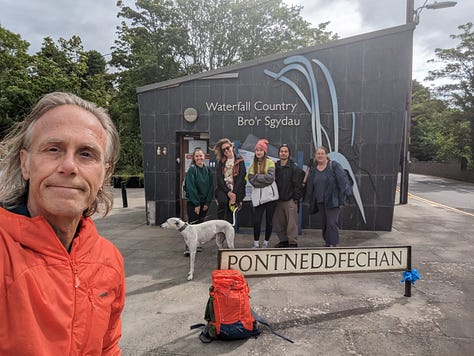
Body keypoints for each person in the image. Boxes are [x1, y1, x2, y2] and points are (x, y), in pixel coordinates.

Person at [0, 92, 125, 355]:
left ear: (105, 173)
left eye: (86, 154)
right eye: (53, 149)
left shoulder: (109, 259)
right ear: (25, 163)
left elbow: (108, 346)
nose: (69, 166)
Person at [306, 146, 348, 247]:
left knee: (331, 223)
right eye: (318, 154)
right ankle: (327, 242)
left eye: (322, 153)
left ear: (326, 155)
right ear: (315, 156)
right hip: (320, 201)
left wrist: (342, 200)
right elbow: (311, 185)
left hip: (333, 201)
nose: (320, 155)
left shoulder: (334, 165)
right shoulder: (314, 169)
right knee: (325, 224)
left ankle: (333, 244)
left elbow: (342, 184)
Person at [183, 147, 214, 256]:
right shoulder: (192, 170)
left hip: (204, 203)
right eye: (197, 156)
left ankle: (197, 245)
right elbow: (191, 188)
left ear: (204, 156)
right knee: (192, 225)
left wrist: (207, 203)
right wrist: (196, 204)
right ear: (194, 158)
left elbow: (211, 187)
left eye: (201, 155)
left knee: (200, 225)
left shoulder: (208, 170)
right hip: (193, 202)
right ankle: (188, 247)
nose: (199, 158)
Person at [248, 139, 277, 248]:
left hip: (270, 197)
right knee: (257, 221)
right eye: (257, 150)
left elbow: (270, 178)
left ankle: (265, 242)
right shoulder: (253, 163)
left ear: (264, 151)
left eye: (261, 150)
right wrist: (261, 179)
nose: (259, 152)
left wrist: (257, 177)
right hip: (258, 198)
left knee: (269, 221)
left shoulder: (270, 162)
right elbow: (250, 179)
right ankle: (255, 243)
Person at [273, 144, 303, 248]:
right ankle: (283, 241)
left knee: (291, 223)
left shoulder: (293, 168)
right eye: (281, 151)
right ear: (279, 153)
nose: (283, 153)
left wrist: (295, 198)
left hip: (290, 200)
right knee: (279, 223)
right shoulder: (275, 166)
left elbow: (297, 184)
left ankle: (293, 242)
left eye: (285, 151)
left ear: (289, 154)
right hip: (277, 200)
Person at [213, 138, 246, 224]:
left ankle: (229, 232)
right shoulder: (222, 162)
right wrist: (229, 193)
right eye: (224, 150)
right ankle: (219, 226)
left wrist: (234, 194)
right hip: (223, 188)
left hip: (236, 189)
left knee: (230, 212)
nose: (227, 151)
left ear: (232, 146)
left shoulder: (240, 160)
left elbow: (241, 177)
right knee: (223, 202)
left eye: (228, 148)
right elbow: (219, 178)